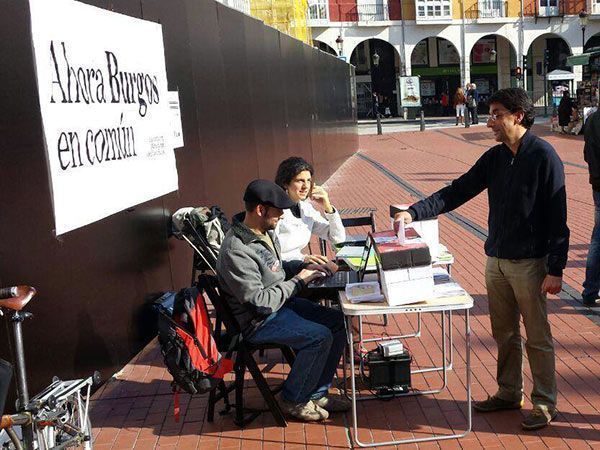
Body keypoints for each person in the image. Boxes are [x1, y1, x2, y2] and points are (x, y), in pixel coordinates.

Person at [393, 88, 569, 431]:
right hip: (497, 262)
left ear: (517, 115)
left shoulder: (544, 156)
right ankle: (508, 392)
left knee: (537, 337)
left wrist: (556, 269)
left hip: (530, 264)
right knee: (503, 333)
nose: (489, 122)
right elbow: (457, 190)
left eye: (496, 114)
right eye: (490, 114)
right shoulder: (495, 157)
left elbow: (557, 217)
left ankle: (545, 402)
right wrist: (414, 213)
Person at [216, 179, 350, 422]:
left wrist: (304, 264)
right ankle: (294, 399)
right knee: (320, 336)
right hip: (259, 320)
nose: (282, 215)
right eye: (278, 210)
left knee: (339, 321)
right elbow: (260, 302)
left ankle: (316, 393)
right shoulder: (237, 250)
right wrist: (300, 280)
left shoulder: (264, 231)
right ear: (260, 209)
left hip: (280, 306)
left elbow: (276, 269)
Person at [275, 157, 345, 263]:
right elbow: (269, 254)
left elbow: (337, 238)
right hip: (281, 271)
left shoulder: (306, 209)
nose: (306, 186)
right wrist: (303, 259)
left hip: (299, 265)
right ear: (285, 183)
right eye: (300, 181)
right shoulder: (275, 211)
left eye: (308, 181)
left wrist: (328, 207)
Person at [581, 109, 600, 307]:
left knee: (597, 239)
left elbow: (587, 153)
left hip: (597, 184)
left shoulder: (593, 118)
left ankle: (591, 290)